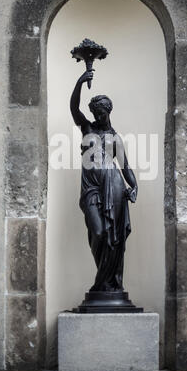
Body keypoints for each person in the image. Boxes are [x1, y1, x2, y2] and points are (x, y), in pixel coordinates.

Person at [70, 69, 138, 292]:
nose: (98, 116)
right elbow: (74, 108)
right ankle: (102, 282)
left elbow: (124, 166)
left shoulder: (115, 138)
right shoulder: (87, 128)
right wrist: (80, 82)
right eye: (95, 112)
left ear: (108, 111)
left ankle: (108, 285)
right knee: (99, 232)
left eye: (101, 112)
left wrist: (134, 186)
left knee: (114, 237)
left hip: (115, 187)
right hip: (92, 189)